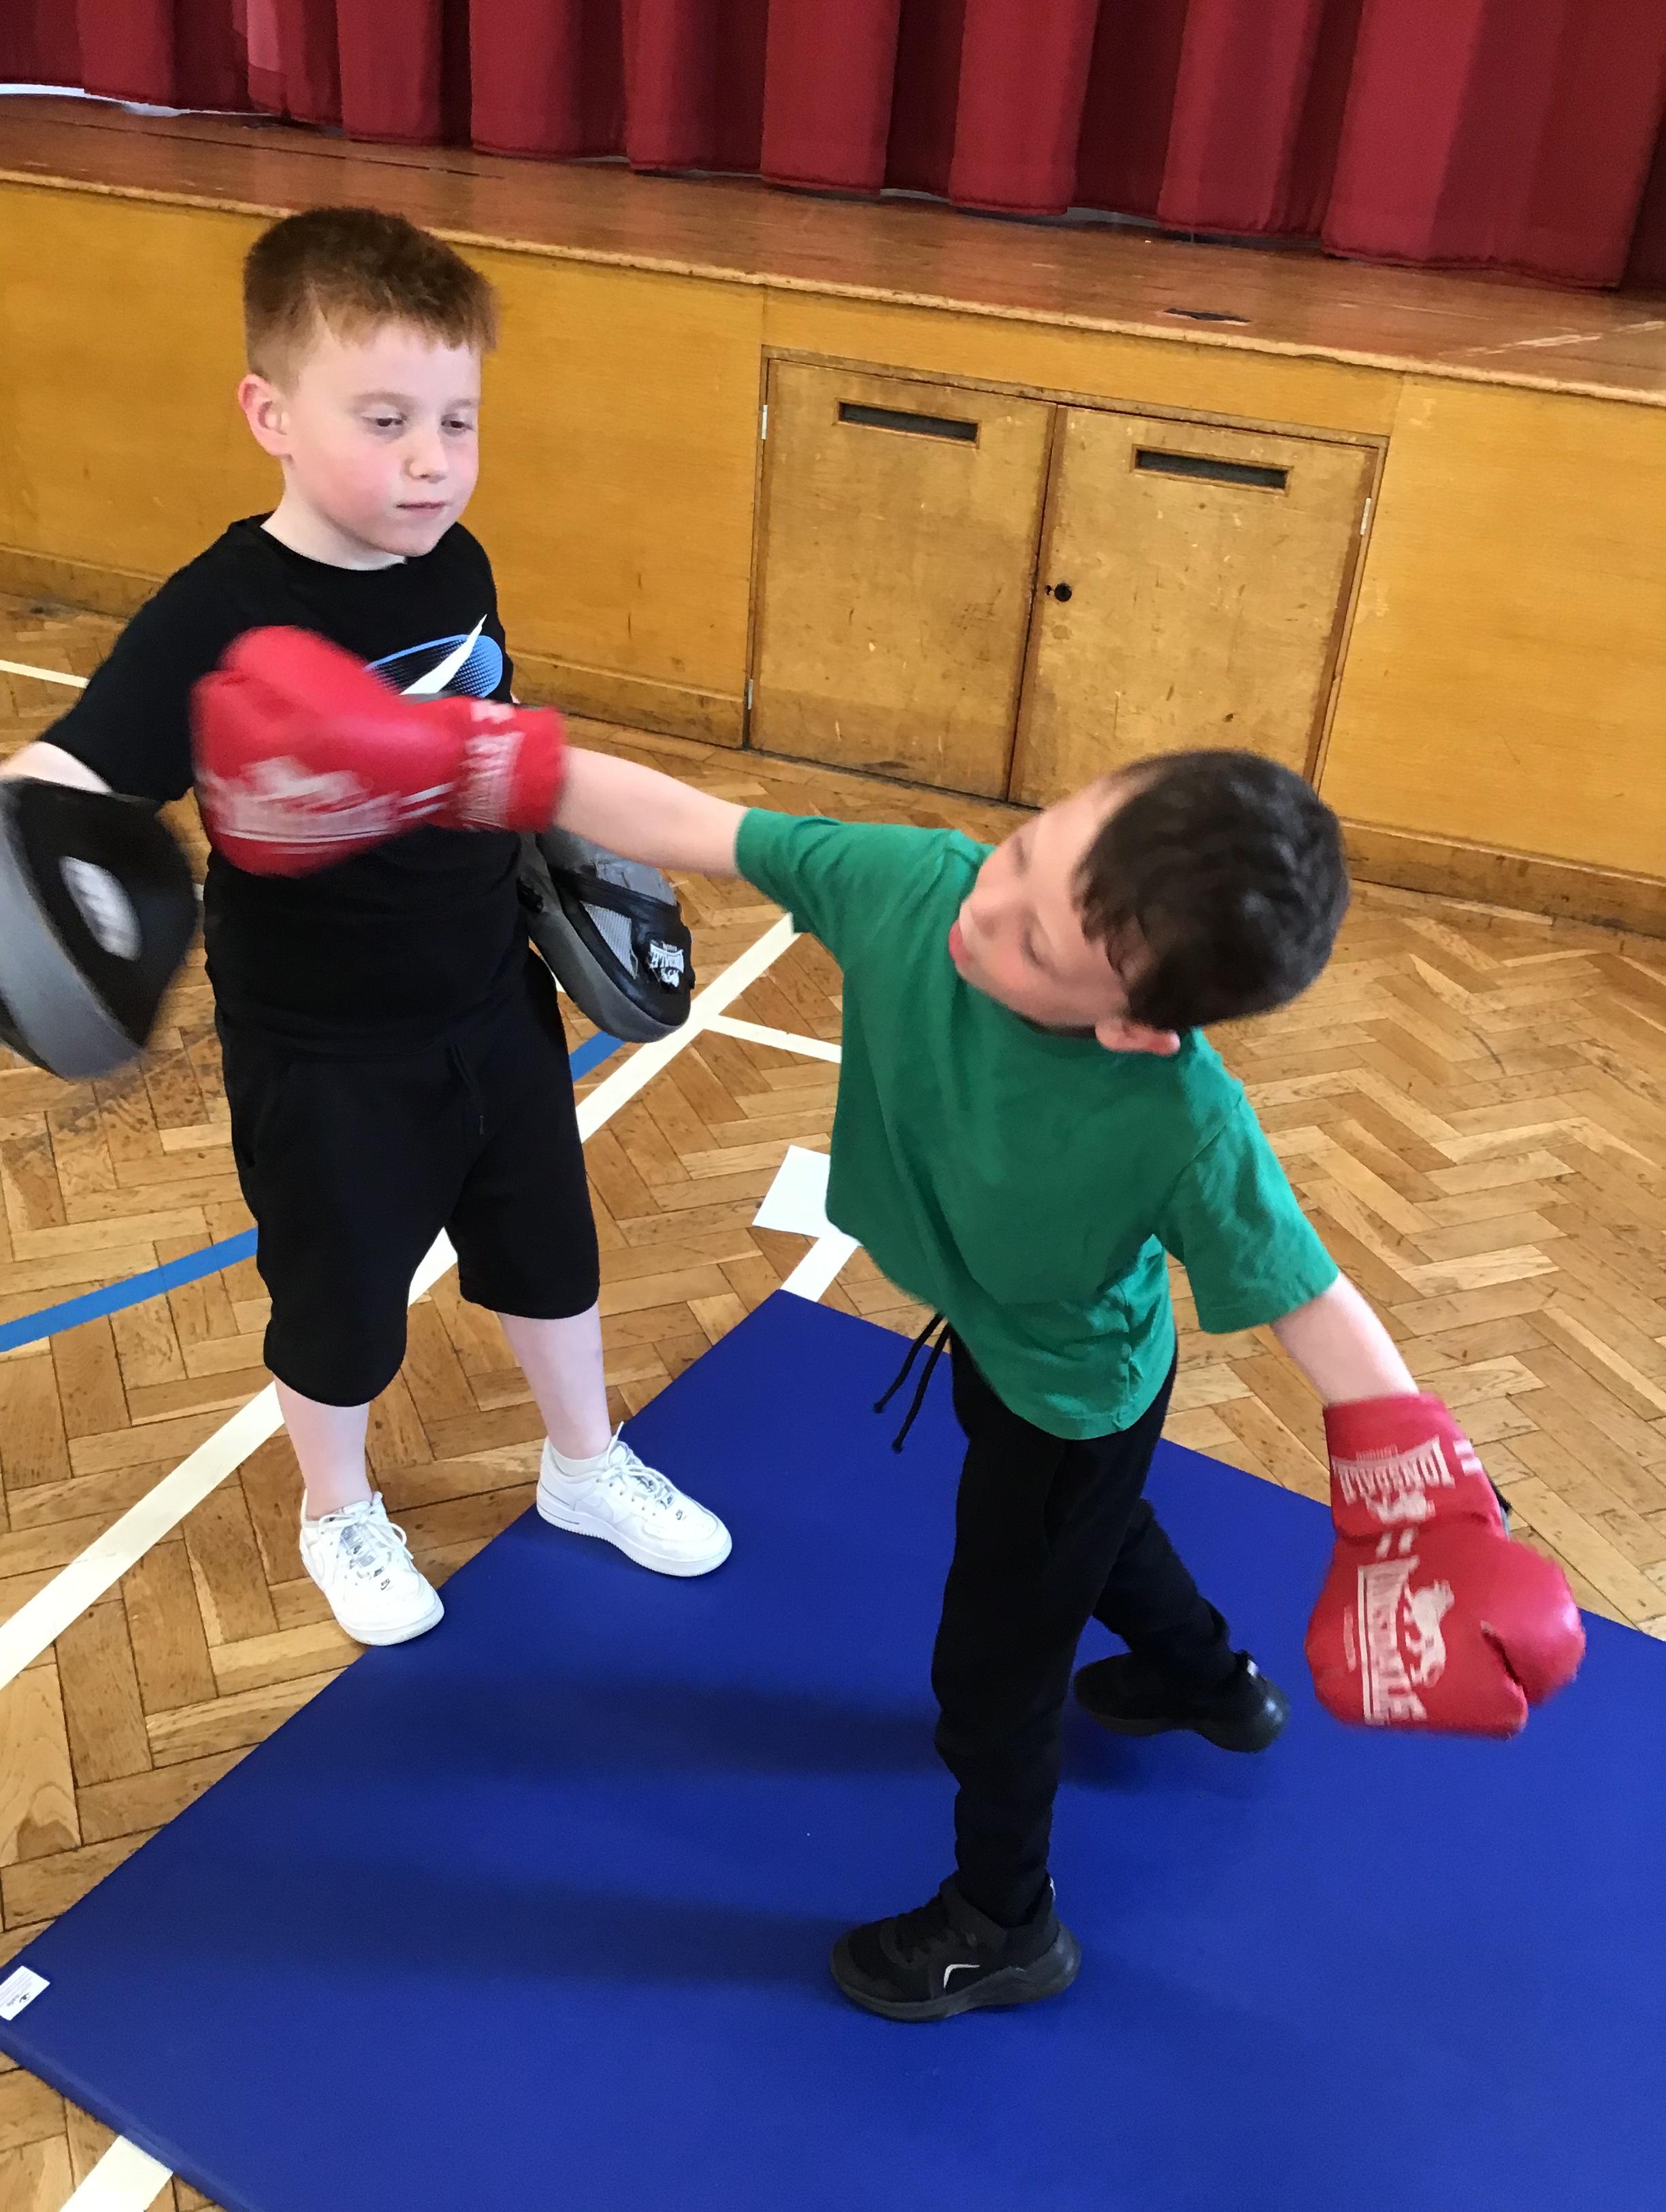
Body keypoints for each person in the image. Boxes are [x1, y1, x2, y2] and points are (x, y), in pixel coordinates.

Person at [185, 644, 1586, 2022]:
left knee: (993, 1673)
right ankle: (1209, 1682)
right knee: (1098, 1537)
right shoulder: (921, 885)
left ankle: (1007, 1925)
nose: (991, 912)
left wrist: (1432, 1502)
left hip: (1072, 1391)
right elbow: (698, 825)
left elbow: (1308, 1298)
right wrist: (469, 766)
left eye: (1037, 944)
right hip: (995, 1334)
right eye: (1022, 854)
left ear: (1135, 1029)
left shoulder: (1182, 1123)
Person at [0, 207, 730, 1647]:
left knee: (551, 1254)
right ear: (269, 414)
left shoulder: (456, 563)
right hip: (323, 1048)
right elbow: (73, 771)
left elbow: (489, 728)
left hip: (491, 992)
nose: (430, 461)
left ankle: (585, 1465)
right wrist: (27, 823)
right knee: (338, 1309)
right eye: (385, 420)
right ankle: (336, 1509)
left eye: (458, 421)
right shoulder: (218, 615)